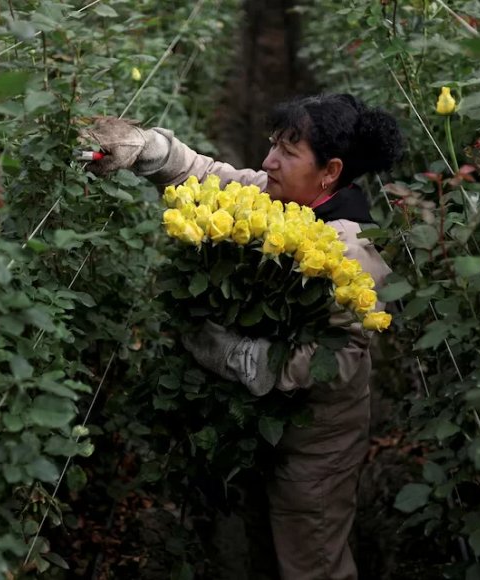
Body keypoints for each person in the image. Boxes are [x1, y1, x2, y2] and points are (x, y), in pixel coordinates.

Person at [80, 93, 404, 580]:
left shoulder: (353, 252)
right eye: (273, 144)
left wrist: (241, 358)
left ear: (330, 171)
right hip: (262, 423)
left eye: (288, 152)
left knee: (310, 556)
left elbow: (339, 358)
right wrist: (147, 149)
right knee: (262, 537)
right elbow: (214, 177)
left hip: (318, 441)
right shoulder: (285, 198)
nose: (268, 161)